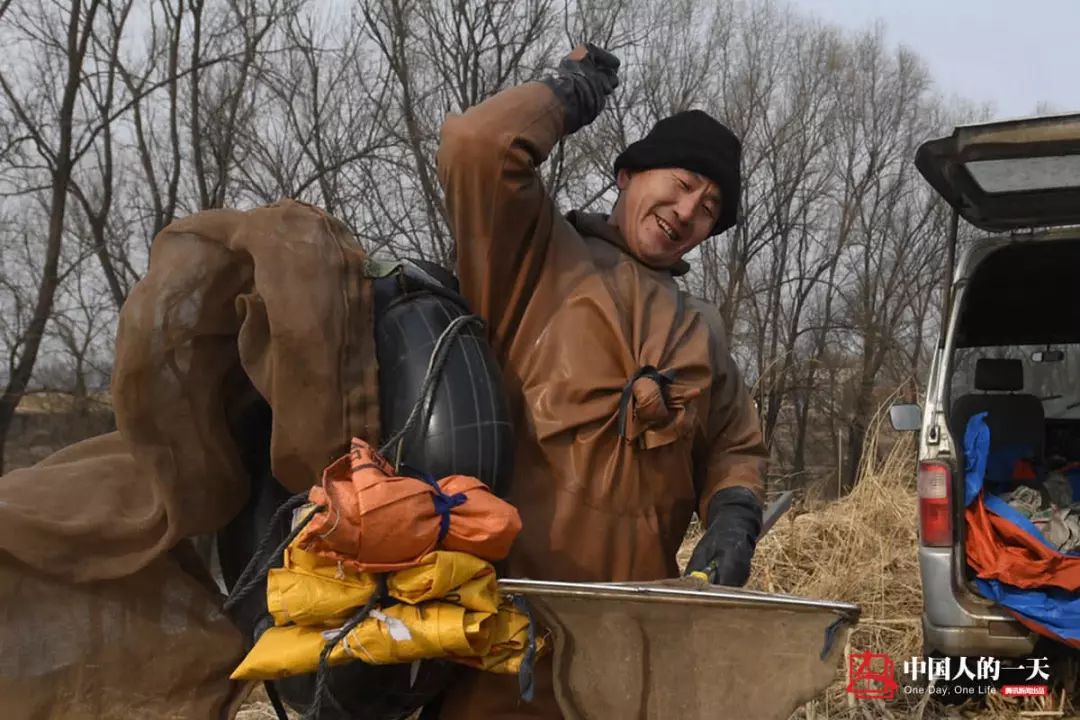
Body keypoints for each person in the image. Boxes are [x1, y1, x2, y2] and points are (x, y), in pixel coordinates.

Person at [434, 44, 769, 718]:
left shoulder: (702, 328)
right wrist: (568, 92)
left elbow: (736, 447)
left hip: (630, 652)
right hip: (499, 633)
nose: (686, 211)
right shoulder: (532, 254)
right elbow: (477, 144)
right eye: (678, 182)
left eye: (708, 209)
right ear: (627, 174)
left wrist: (734, 520)